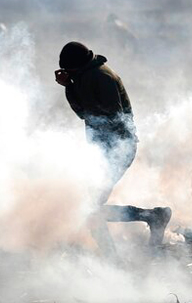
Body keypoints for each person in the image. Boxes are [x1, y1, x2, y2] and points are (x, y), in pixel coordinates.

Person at [56, 41, 171, 256]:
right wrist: (70, 87)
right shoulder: (85, 76)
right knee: (89, 207)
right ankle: (151, 217)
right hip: (106, 149)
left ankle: (113, 257)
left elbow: (113, 116)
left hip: (118, 148)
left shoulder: (102, 77)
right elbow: (85, 113)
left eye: (69, 70)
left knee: (89, 208)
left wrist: (72, 87)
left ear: (76, 66)